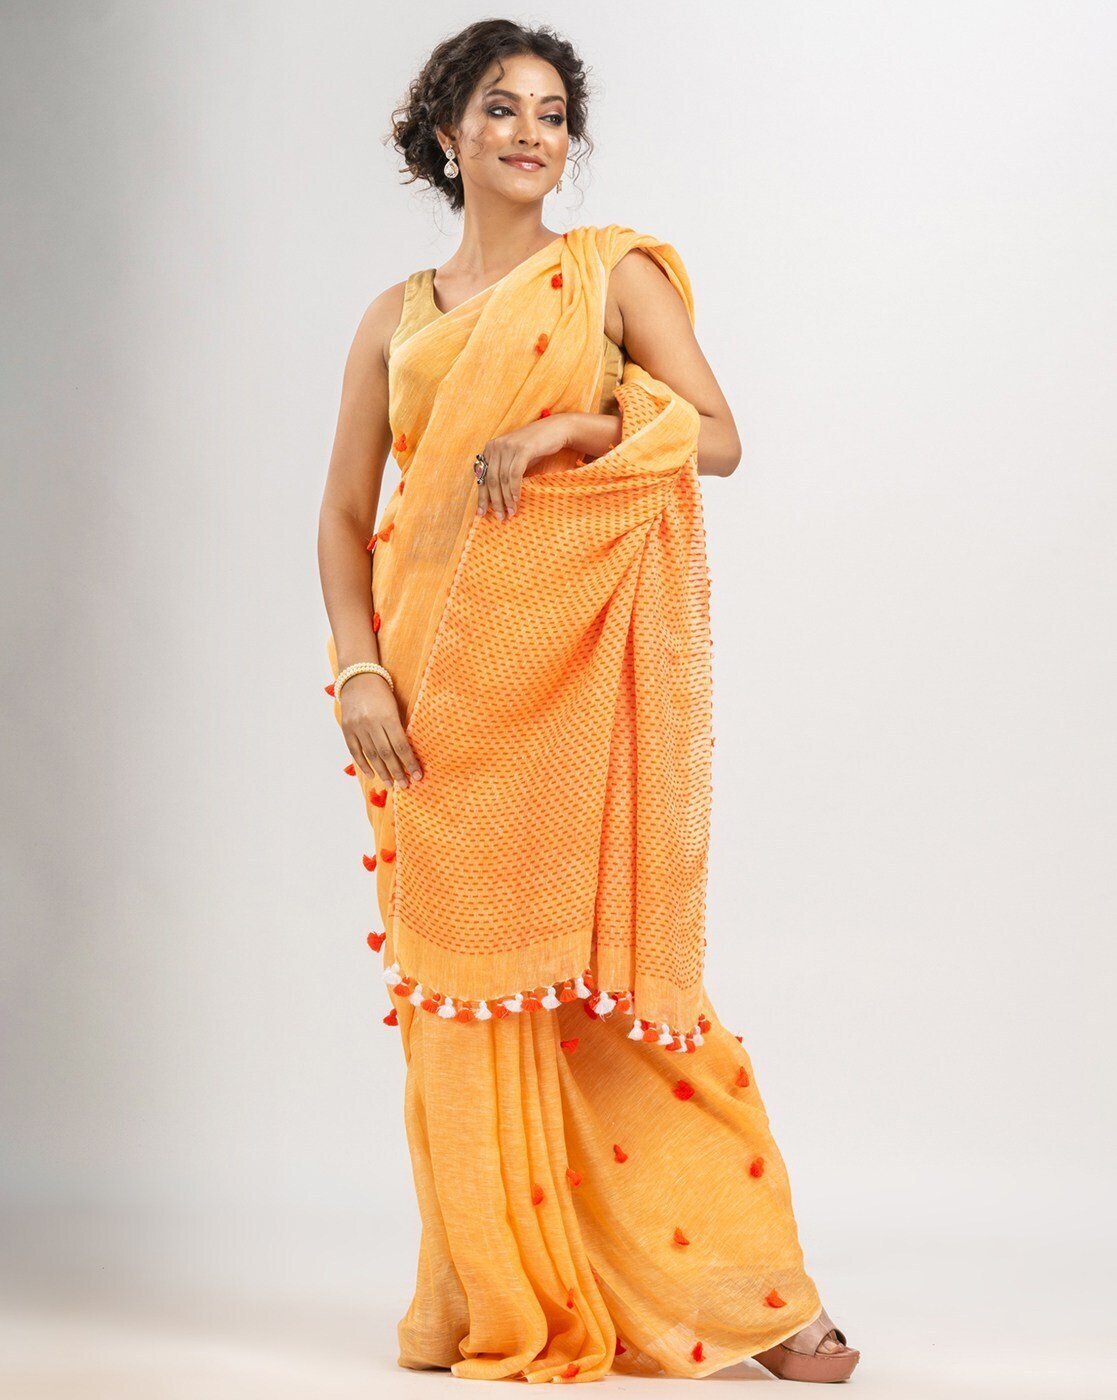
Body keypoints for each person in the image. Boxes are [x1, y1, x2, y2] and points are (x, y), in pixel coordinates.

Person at [317, 18, 859, 1386]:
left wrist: (570, 424)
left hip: (571, 689)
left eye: (552, 113)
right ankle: (502, 1290)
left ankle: (761, 1299)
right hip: (428, 703)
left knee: (618, 988)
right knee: (462, 1001)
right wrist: (358, 670)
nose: (529, 133)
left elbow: (716, 437)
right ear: (446, 134)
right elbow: (340, 515)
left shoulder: (610, 276)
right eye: (499, 108)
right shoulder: (394, 318)